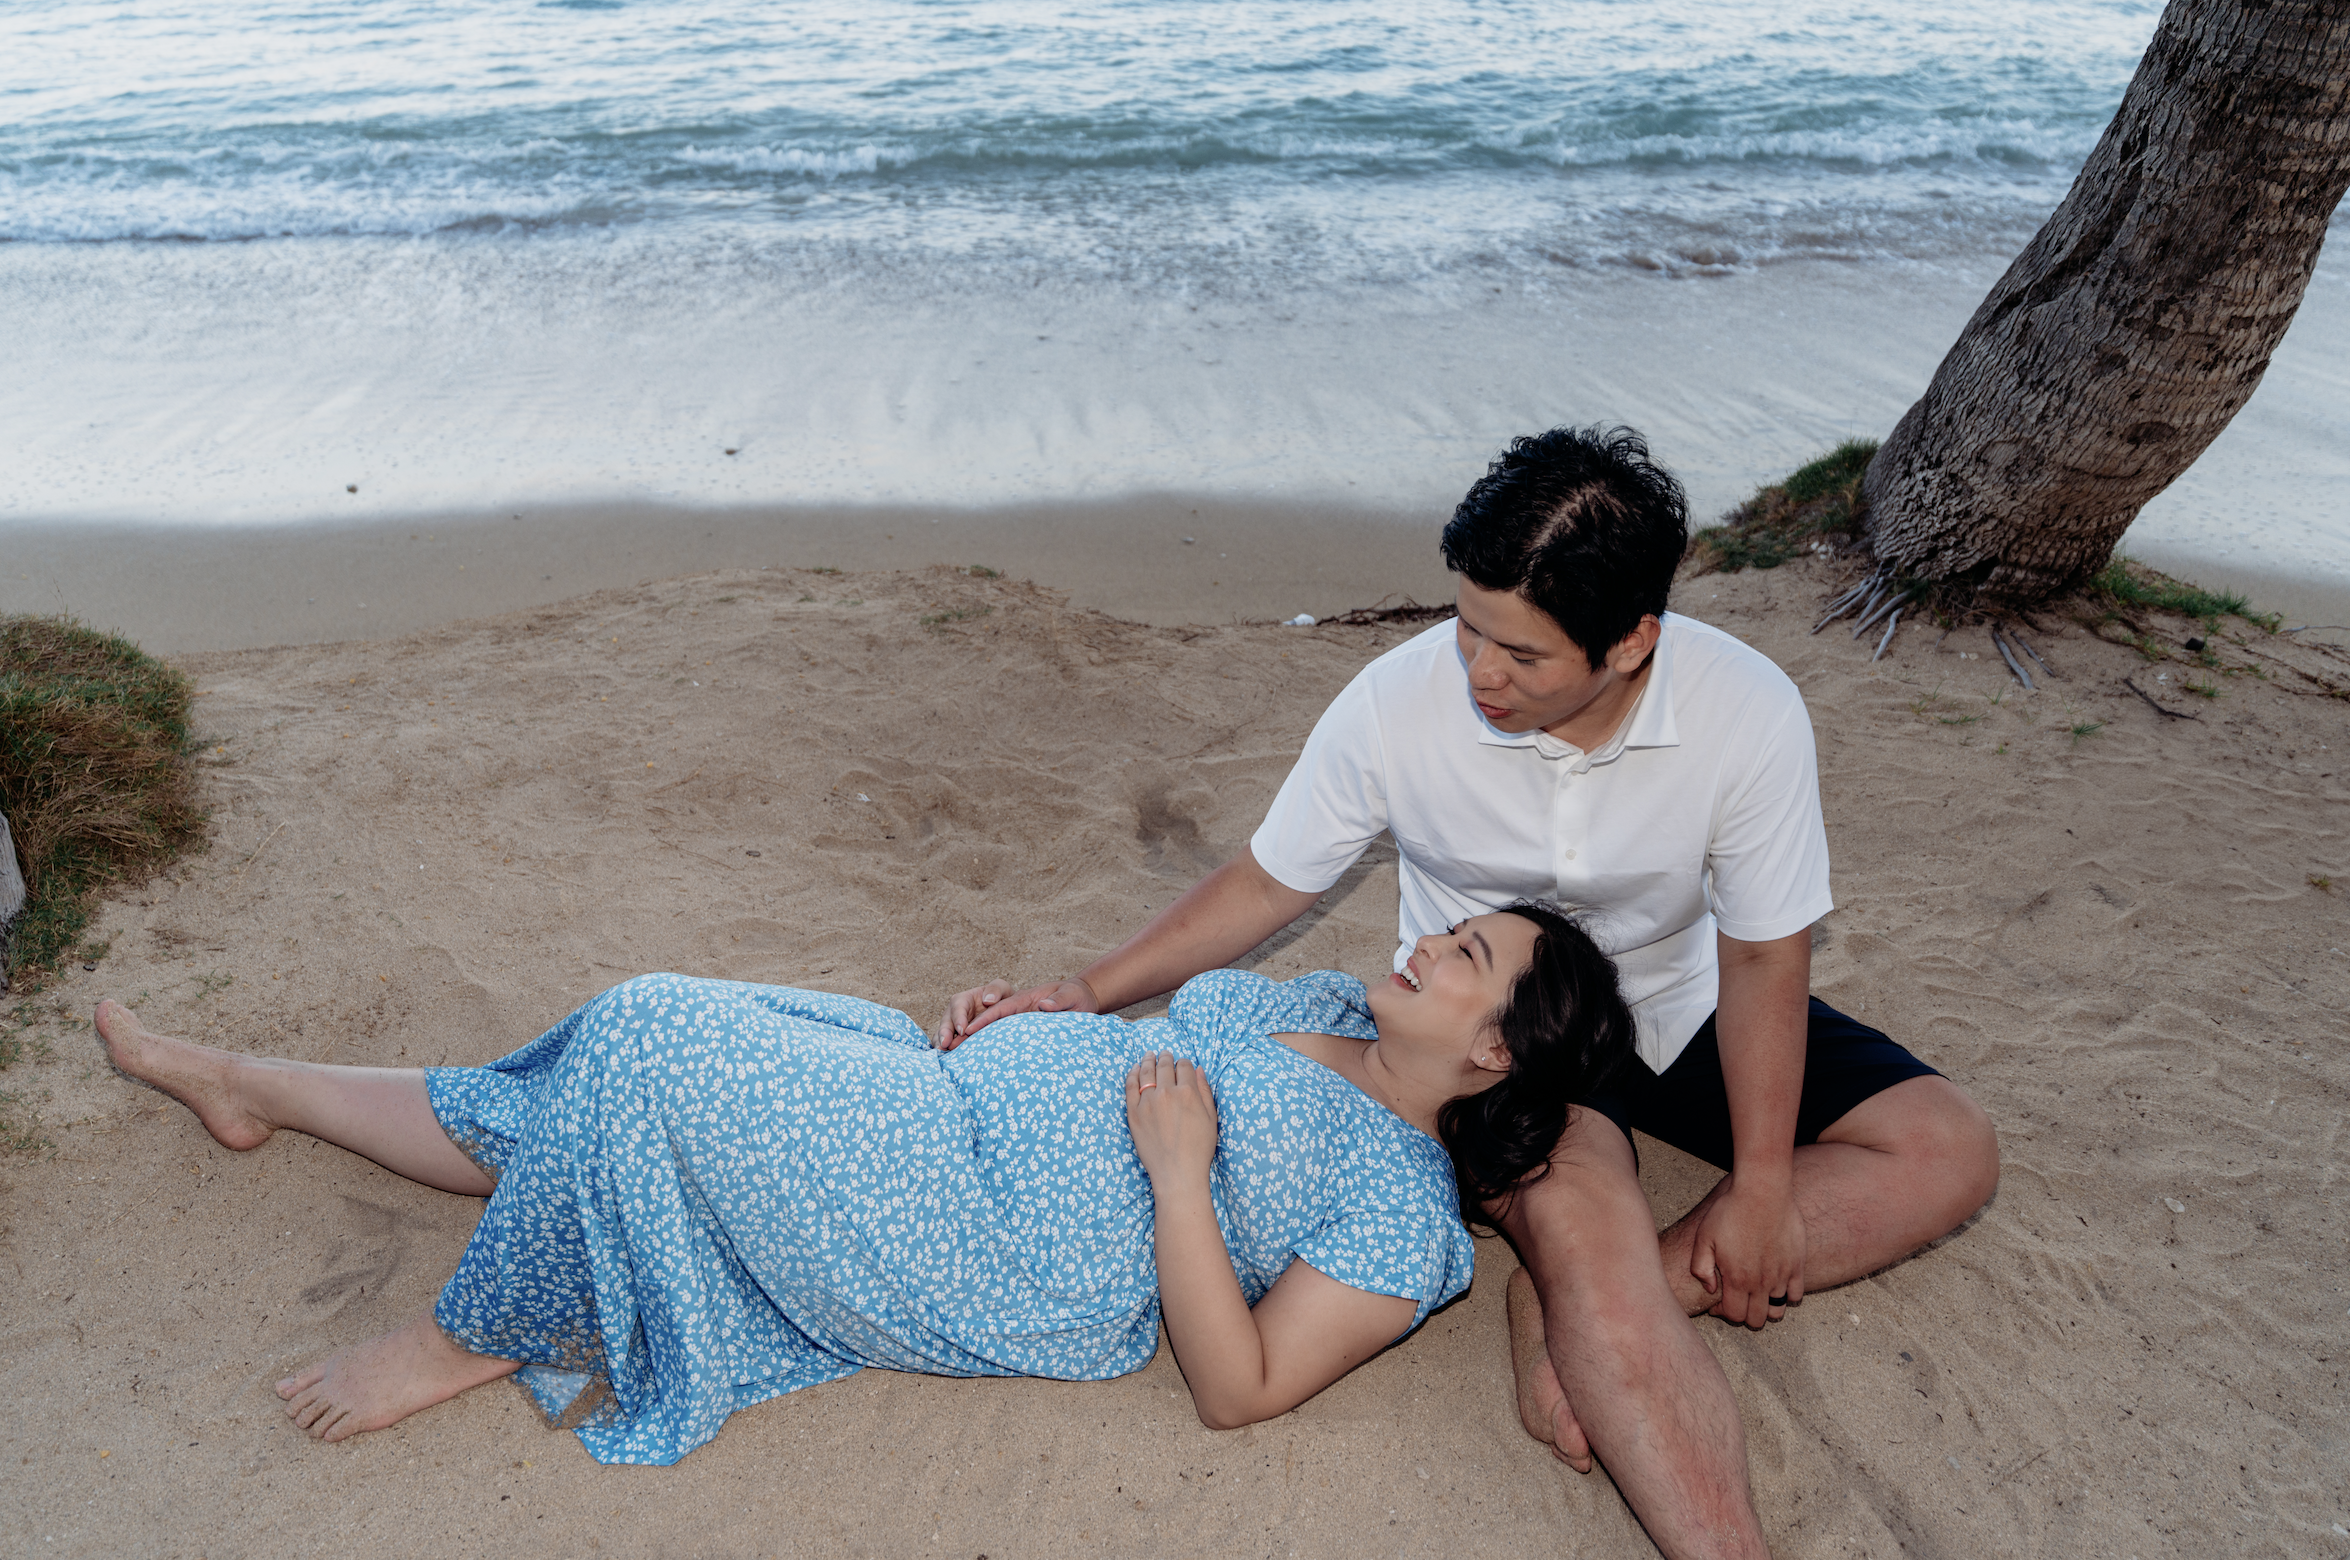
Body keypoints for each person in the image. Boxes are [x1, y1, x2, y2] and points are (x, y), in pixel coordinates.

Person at [939, 425, 2001, 1559]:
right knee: (1596, 1252)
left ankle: (1581, 1299)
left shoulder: (1748, 712)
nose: (1480, 673)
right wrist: (1086, 988)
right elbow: (1263, 881)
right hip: (1495, 1042)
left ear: (1634, 640)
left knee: (1948, 1148)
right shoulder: (1398, 700)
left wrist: (1762, 1187)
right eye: (1466, 628)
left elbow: (1761, 960)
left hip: (1685, 1000)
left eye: (1523, 656)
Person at [92, 902, 1631, 1466]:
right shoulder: (1325, 1004)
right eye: (1454, 930)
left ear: (1495, 1056)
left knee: (651, 1040)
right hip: (935, 1099)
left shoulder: (1398, 1215)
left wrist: (1179, 1177)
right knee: (602, 1077)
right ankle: (256, 1088)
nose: (1428, 943)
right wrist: (1039, 1022)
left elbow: (1237, 1389)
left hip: (992, 1252)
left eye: (1468, 958)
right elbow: (1148, 1041)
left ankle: (471, 1332)